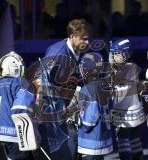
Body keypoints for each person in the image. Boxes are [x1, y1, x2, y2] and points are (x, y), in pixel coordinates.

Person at [33, 18, 92, 160]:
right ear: (72, 37)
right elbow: (38, 80)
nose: (87, 42)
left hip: (64, 103)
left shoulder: (79, 51)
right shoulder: (58, 53)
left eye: (88, 39)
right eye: (84, 39)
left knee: (70, 139)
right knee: (65, 141)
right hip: (51, 107)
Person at [109, 38, 145, 160]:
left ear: (127, 54)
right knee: (132, 137)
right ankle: (136, 156)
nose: (114, 57)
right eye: (113, 54)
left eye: (117, 54)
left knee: (124, 137)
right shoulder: (116, 68)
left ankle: (132, 157)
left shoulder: (131, 67)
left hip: (129, 110)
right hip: (122, 109)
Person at [78, 52, 113, 160]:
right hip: (102, 137)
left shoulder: (88, 89)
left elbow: (89, 121)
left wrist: (77, 118)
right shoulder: (103, 85)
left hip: (91, 141)